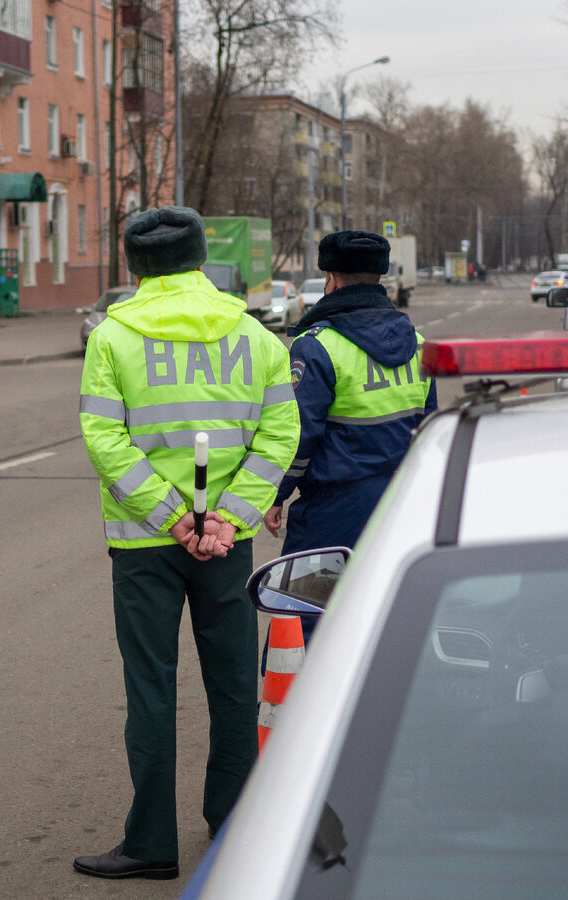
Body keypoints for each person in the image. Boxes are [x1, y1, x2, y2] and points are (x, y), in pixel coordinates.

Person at [74, 206, 300, 880]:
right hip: (224, 544)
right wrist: (228, 517)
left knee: (151, 689)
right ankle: (233, 826)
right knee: (232, 685)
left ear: (133, 266)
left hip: (144, 543)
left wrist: (170, 516)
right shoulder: (255, 336)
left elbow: (104, 439)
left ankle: (150, 844)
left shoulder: (112, 337)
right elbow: (279, 434)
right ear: (203, 258)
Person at [264, 231, 437, 612]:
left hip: (333, 514)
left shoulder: (317, 345)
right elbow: (432, 432)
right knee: (386, 613)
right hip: (400, 504)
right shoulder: (420, 345)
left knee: (304, 618)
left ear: (333, 279)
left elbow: (301, 437)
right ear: (379, 278)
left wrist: (275, 495)